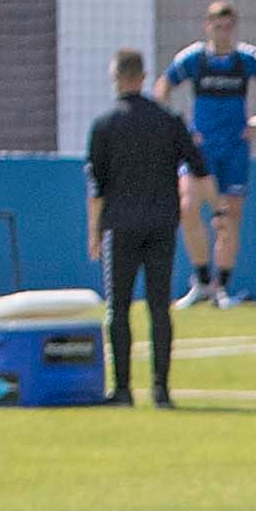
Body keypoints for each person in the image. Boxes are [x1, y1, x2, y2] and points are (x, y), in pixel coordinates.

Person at [84, 50, 196, 407]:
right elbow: (196, 164)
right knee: (159, 306)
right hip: (162, 223)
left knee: (118, 307)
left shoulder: (104, 124)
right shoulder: (169, 119)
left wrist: (94, 231)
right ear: (144, 76)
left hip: (121, 224)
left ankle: (122, 388)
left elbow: (97, 187)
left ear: (115, 76)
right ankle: (161, 388)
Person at [163, 1, 256, 308]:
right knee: (188, 207)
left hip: (234, 149)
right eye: (218, 27)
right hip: (200, 150)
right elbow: (163, 87)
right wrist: (180, 129)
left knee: (228, 217)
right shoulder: (194, 59)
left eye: (228, 27)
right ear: (208, 27)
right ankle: (201, 280)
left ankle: (222, 288)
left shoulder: (246, 59)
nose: (223, 33)